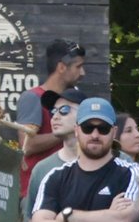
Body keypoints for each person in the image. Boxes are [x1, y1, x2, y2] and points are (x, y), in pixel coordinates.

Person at [20, 90, 84, 222]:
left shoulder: (116, 162)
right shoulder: (42, 169)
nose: (55, 116)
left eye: (64, 110)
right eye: (53, 112)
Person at [16, 39, 87, 195]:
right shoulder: (33, 97)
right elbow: (27, 145)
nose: (83, 73)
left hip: (70, 187)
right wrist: (68, 131)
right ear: (61, 67)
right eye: (78, 66)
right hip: (37, 190)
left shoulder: (76, 99)